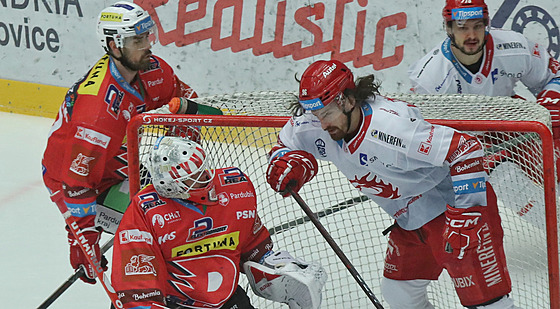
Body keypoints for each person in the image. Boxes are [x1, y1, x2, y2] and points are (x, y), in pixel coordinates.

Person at [266, 59, 519, 308]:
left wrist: (465, 214)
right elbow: (284, 145)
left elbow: (466, 149)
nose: (321, 124)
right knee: (399, 293)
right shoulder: (318, 120)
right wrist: (291, 162)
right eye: (315, 115)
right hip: (411, 220)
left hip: (454, 211)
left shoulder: (391, 127)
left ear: (349, 100)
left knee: (488, 304)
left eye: (326, 115)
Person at [41, 1, 221, 285]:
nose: (148, 45)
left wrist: (180, 144)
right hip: (79, 180)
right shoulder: (97, 113)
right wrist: (84, 241)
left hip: (123, 167)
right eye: (138, 40)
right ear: (114, 46)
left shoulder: (153, 70)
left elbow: (187, 103)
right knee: (165, 232)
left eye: (147, 36)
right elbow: (76, 184)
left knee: (195, 207)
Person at [111, 136, 327, 309]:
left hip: (226, 300)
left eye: (203, 169)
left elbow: (252, 245)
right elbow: (137, 287)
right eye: (193, 176)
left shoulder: (235, 188)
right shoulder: (145, 210)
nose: (205, 177)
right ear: (170, 185)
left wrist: (276, 267)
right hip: (174, 304)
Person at [408, 0, 560, 227]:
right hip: (469, 140)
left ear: (486, 24)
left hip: (513, 120)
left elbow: (552, 76)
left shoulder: (512, 46)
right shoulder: (430, 77)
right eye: (462, 27)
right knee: (509, 184)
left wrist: (550, 112)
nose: (471, 35)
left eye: (477, 26)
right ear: (448, 28)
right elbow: (424, 134)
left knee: (554, 157)